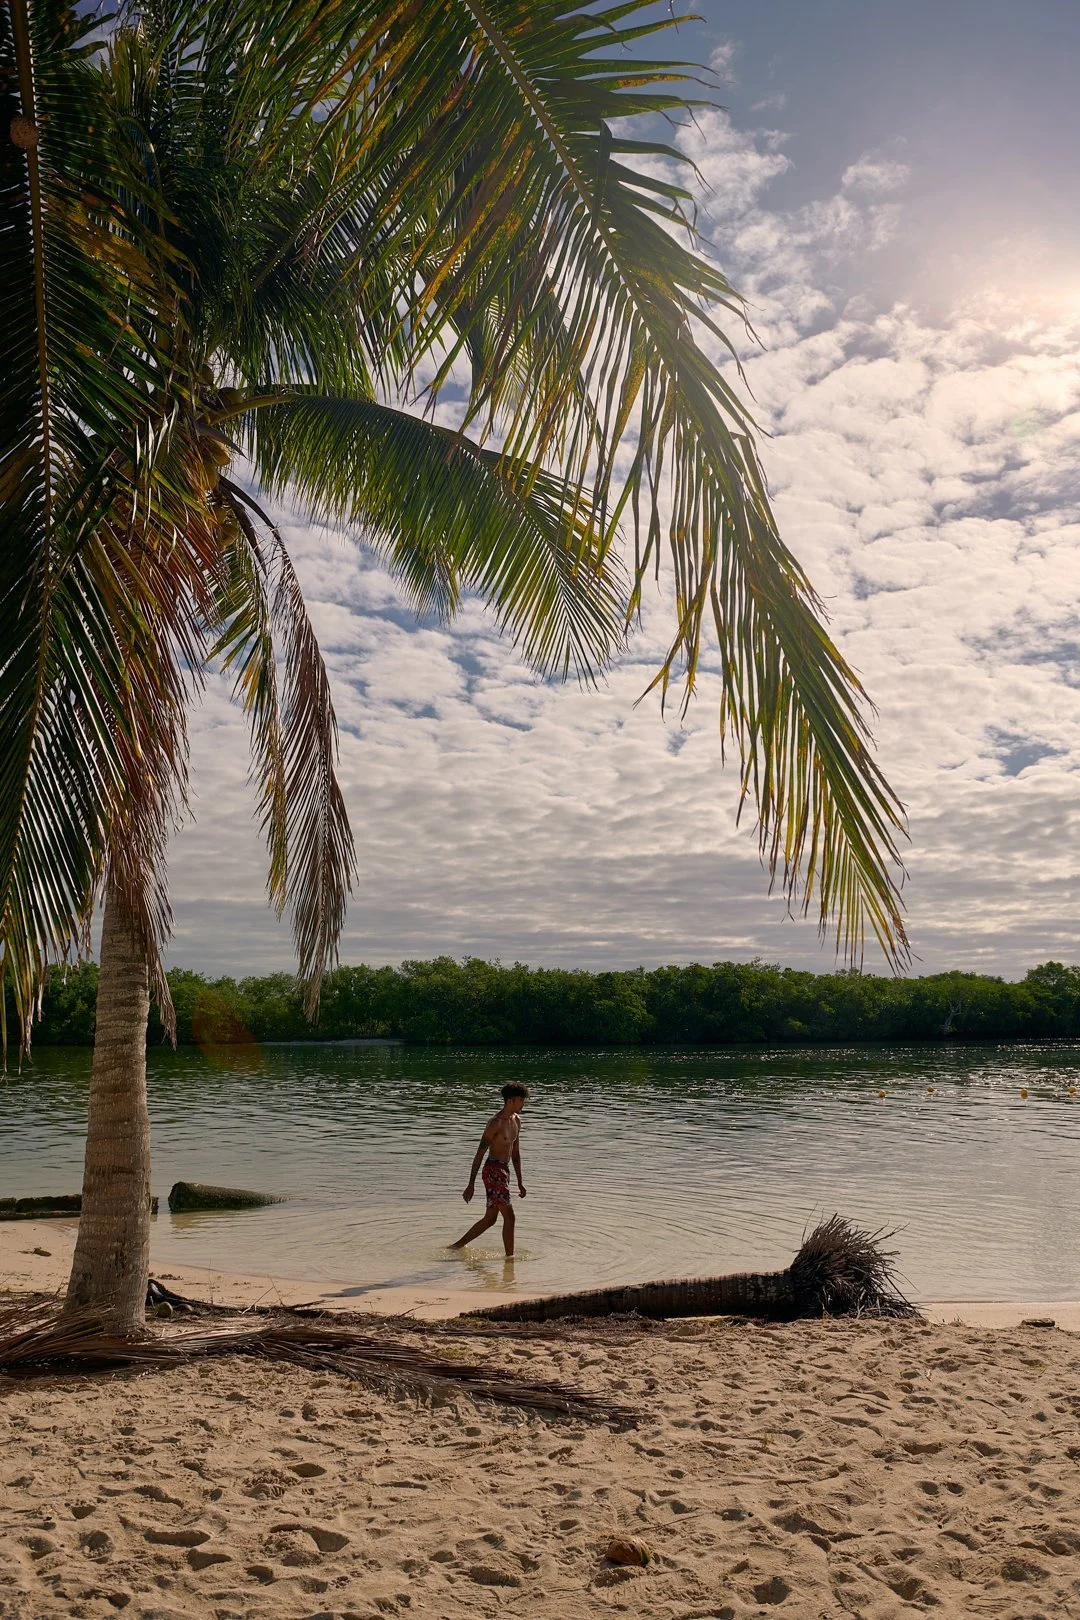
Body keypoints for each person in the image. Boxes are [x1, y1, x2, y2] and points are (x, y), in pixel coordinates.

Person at [449, 1083, 529, 1257]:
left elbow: (515, 1154)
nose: (523, 1104)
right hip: (492, 1170)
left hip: (504, 1170)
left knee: (491, 1219)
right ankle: (510, 1260)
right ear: (510, 1101)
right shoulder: (495, 1123)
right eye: (521, 1100)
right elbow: (479, 1153)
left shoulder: (517, 1121)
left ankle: (456, 1247)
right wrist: (470, 1184)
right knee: (510, 1216)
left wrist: (521, 1182)